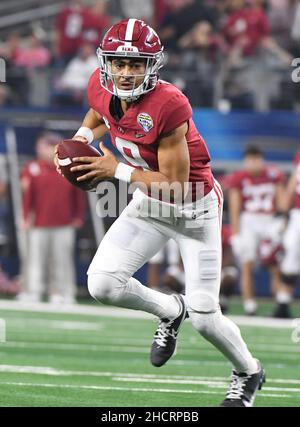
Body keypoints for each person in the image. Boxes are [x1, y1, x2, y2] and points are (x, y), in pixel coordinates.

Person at [55, 19, 265, 407]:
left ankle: (249, 371)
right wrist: (80, 142)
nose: (126, 72)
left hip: (194, 209)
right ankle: (171, 309)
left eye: (136, 64)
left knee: (205, 317)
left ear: (153, 66)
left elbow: (176, 183)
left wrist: (113, 170)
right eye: (119, 63)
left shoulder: (169, 104)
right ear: (107, 63)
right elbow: (98, 114)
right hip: (149, 204)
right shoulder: (100, 86)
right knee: (102, 284)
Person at [19, 132, 86, 304]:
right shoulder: (32, 168)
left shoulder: (67, 169)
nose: (41, 150)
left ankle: (63, 293)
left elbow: (78, 195)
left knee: (62, 260)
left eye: (45, 146)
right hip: (39, 223)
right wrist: (26, 217)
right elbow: (27, 198)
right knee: (35, 259)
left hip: (64, 223)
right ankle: (33, 291)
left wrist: (78, 216)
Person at [228, 145, 285, 315]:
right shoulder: (239, 177)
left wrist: (280, 221)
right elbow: (235, 208)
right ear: (245, 161)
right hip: (249, 221)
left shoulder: (273, 174)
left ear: (262, 159)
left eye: (256, 159)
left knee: (275, 264)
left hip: (270, 221)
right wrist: (236, 234)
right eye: (250, 160)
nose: (253, 163)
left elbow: (281, 202)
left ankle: (281, 303)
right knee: (247, 264)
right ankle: (250, 305)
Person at [274, 150, 300, 318]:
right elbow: (293, 181)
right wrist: (284, 212)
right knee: (290, 256)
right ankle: (283, 302)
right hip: (298, 212)